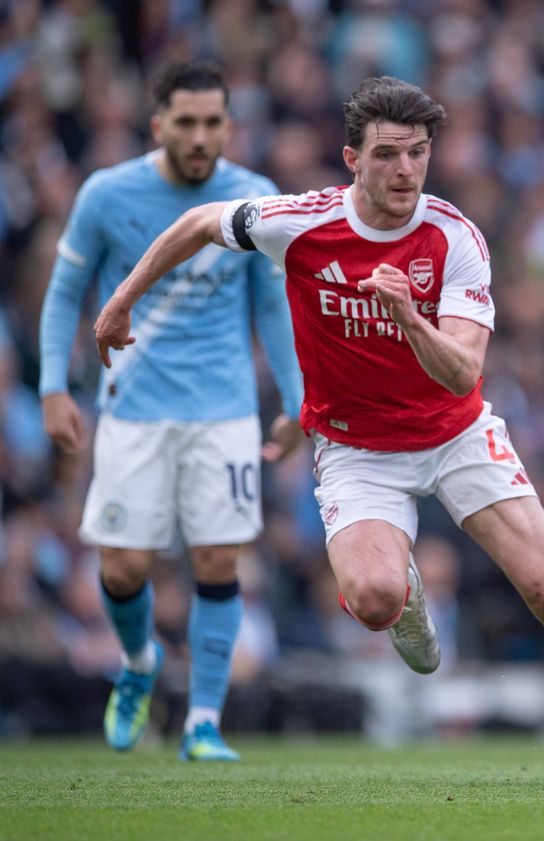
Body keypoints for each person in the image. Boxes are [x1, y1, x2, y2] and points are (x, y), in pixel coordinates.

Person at [94, 76, 544, 784]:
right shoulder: (298, 222)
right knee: (372, 600)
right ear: (352, 160)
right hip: (357, 448)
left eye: (418, 153)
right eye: (389, 154)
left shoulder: (454, 236)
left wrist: (407, 316)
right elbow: (195, 224)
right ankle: (406, 599)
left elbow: (462, 373)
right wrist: (123, 300)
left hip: (456, 435)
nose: (406, 170)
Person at [39, 61, 304, 761]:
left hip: (224, 410)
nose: (199, 135)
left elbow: (273, 307)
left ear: (228, 125)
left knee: (219, 560)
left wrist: (298, 398)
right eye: (185, 122)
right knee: (123, 569)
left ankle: (204, 722)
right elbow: (66, 292)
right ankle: (138, 663)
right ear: (158, 126)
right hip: (133, 408)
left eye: (212, 122)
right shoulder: (108, 193)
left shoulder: (254, 197)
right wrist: (52, 387)